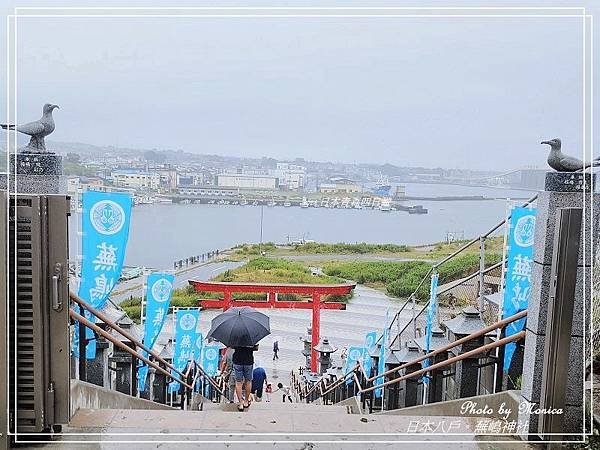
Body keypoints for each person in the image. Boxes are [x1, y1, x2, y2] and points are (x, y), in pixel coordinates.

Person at [233, 344, 258, 411]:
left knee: (238, 382)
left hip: (237, 360)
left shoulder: (235, 336)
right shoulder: (251, 336)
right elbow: (256, 348)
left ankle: (241, 403)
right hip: (248, 361)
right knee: (248, 381)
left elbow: (232, 346)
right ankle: (246, 401)